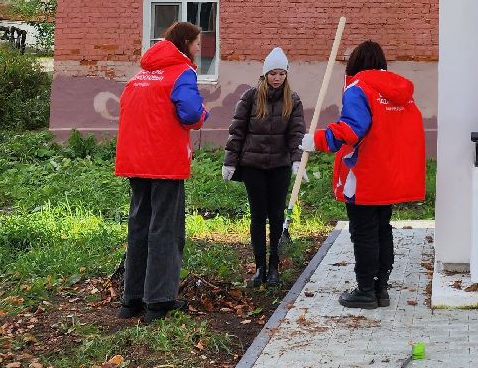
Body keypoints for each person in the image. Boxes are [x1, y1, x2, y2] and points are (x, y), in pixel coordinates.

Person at [305, 40, 425, 309]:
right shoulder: (401, 92)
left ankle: (365, 290)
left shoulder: (358, 89)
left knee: (363, 233)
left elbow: (352, 129)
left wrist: (318, 140)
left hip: (364, 175)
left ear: (355, 64)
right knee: (382, 229)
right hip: (390, 175)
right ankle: (381, 289)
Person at [115, 20, 210, 324]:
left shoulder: (141, 75)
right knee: (165, 230)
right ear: (185, 44)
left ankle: (131, 300)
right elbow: (191, 113)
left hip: (135, 161)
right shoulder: (182, 73)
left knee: (139, 226)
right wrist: (203, 114)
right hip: (165, 162)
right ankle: (159, 301)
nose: (199, 50)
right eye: (197, 44)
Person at [224, 47, 306, 288]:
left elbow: (296, 133)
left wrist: (297, 159)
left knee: (277, 215)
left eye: (281, 73)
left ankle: (274, 266)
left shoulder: (293, 100)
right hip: (254, 166)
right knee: (258, 216)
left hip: (279, 166)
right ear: (265, 74)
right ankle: (260, 266)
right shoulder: (250, 97)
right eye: (273, 73)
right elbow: (237, 131)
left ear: (286, 74)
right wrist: (230, 161)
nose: (277, 78)